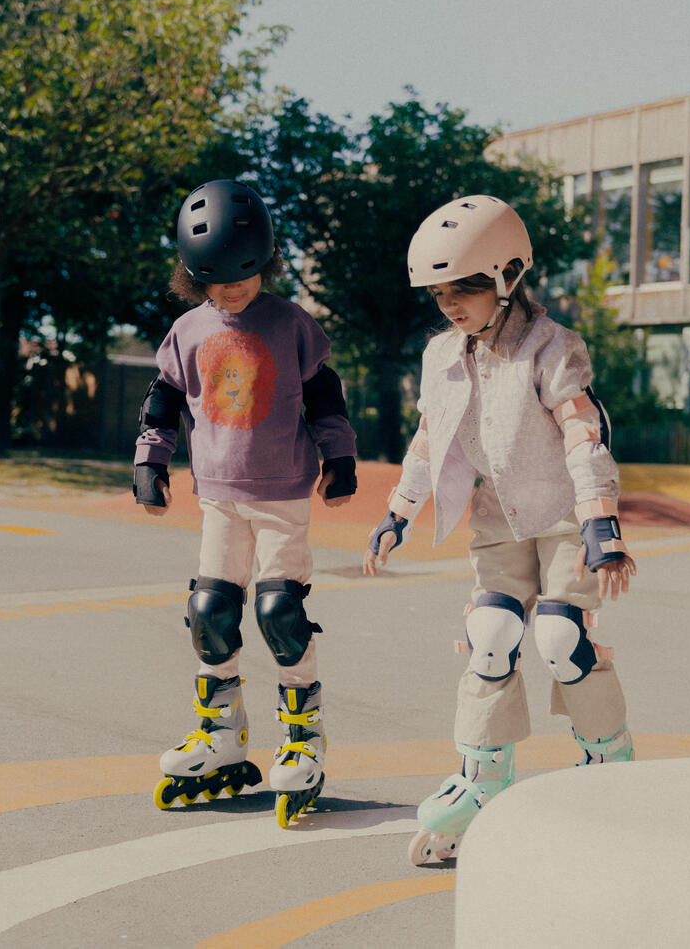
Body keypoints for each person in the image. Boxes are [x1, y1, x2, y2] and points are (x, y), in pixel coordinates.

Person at [363, 194, 636, 865]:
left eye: (466, 288)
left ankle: (610, 764)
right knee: (490, 634)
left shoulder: (552, 346)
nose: (451, 303)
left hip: (567, 516)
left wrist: (602, 525)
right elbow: (431, 438)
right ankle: (482, 778)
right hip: (499, 520)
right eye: (439, 292)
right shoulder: (440, 355)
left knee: (559, 634)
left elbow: (583, 432)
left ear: (508, 275)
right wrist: (399, 510)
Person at [135, 179, 358, 828]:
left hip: (283, 494)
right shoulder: (187, 331)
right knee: (210, 610)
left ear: (265, 261)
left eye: (245, 275)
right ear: (191, 272)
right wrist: (151, 459)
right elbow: (163, 402)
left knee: (280, 611)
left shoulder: (290, 322)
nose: (232, 290)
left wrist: (339, 457)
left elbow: (325, 396)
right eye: (215, 279)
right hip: (219, 500)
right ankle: (221, 731)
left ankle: (303, 737)